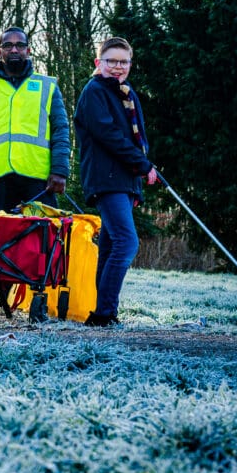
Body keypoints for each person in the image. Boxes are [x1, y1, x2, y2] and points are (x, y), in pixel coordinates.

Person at [74, 36, 157, 327]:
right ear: (99, 63)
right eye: (111, 61)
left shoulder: (125, 93)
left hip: (124, 179)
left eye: (123, 62)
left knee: (110, 245)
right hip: (106, 178)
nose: (118, 67)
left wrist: (143, 165)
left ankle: (104, 312)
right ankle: (103, 314)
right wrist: (141, 163)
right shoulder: (95, 91)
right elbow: (109, 135)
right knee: (126, 242)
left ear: (130, 65)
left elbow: (137, 137)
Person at [0, 26, 70, 211]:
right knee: (1, 238)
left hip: (40, 179)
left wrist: (59, 170)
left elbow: (61, 131)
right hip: (1, 178)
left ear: (28, 50)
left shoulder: (48, 86)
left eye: (20, 45)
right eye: (8, 45)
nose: (14, 50)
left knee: (42, 238)